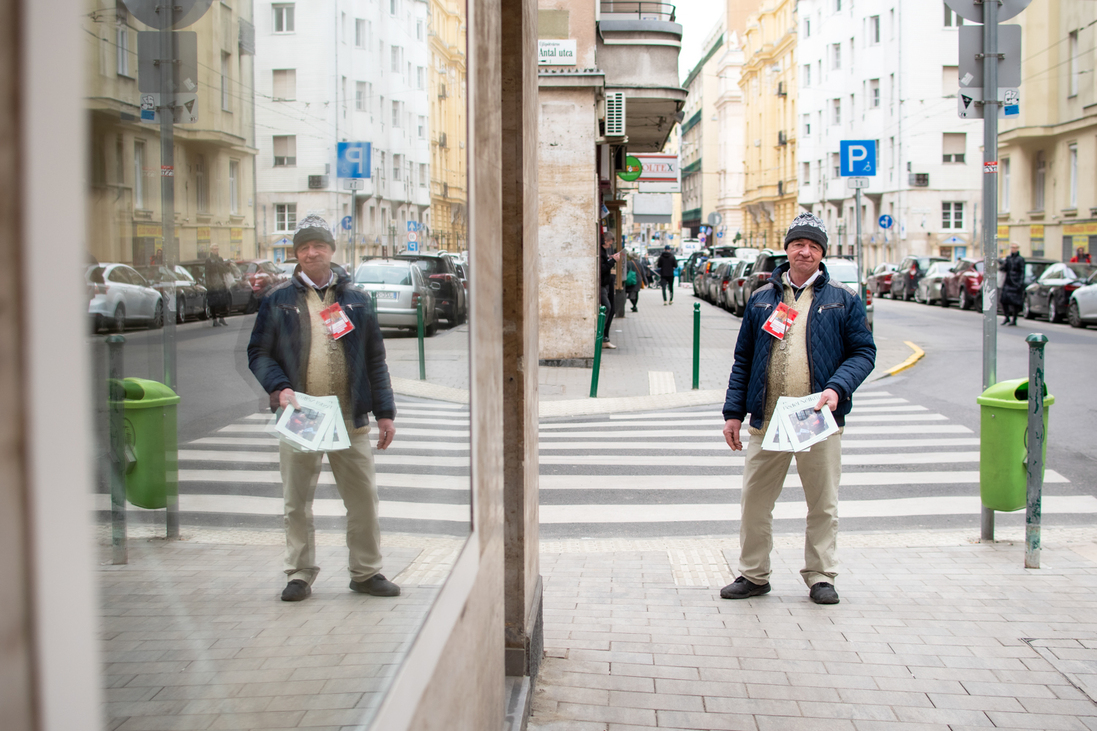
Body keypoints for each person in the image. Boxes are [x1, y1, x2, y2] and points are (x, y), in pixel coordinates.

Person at [720, 211, 876, 605]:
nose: (804, 251)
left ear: (821, 253)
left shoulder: (843, 299)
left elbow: (864, 352)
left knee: (822, 503)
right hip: (768, 418)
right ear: (786, 249)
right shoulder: (761, 299)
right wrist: (733, 413)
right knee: (755, 502)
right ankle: (754, 575)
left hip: (816, 418)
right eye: (798, 244)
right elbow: (744, 358)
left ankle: (821, 575)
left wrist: (838, 388)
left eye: (813, 246)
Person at [247, 214, 400, 602]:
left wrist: (385, 412)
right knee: (296, 500)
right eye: (303, 247)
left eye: (318, 246)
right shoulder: (278, 301)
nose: (311, 253)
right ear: (296, 254)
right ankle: (299, 572)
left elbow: (374, 359)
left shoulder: (355, 299)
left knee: (363, 499)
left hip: (349, 416)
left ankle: (366, 572)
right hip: (301, 412)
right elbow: (259, 353)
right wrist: (279, 388)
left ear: (331, 250)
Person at [600, 232, 623, 349]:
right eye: (610, 243)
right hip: (602, 284)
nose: (610, 246)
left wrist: (610, 259)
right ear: (605, 241)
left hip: (605, 283)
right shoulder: (600, 251)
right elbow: (602, 268)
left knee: (609, 308)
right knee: (607, 308)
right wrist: (613, 261)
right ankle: (600, 335)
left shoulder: (603, 252)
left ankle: (603, 337)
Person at [205, 245, 230, 327]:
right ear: (211, 250)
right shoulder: (209, 260)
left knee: (222, 301)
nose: (216, 251)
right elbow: (207, 272)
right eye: (214, 249)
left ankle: (221, 318)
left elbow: (224, 270)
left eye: (217, 249)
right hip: (213, 283)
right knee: (213, 302)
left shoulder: (219, 259)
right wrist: (208, 283)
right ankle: (215, 319)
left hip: (220, 282)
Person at [1000, 243, 1025, 326]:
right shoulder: (1008, 258)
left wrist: (1020, 283)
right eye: (1012, 247)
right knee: (1004, 300)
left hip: (1016, 282)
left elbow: (1022, 272)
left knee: (1015, 303)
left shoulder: (1020, 259)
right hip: (1008, 282)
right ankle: (1007, 317)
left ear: (1018, 249)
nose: (1013, 249)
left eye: (1015, 248)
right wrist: (1002, 263)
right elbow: (1004, 268)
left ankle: (1014, 319)